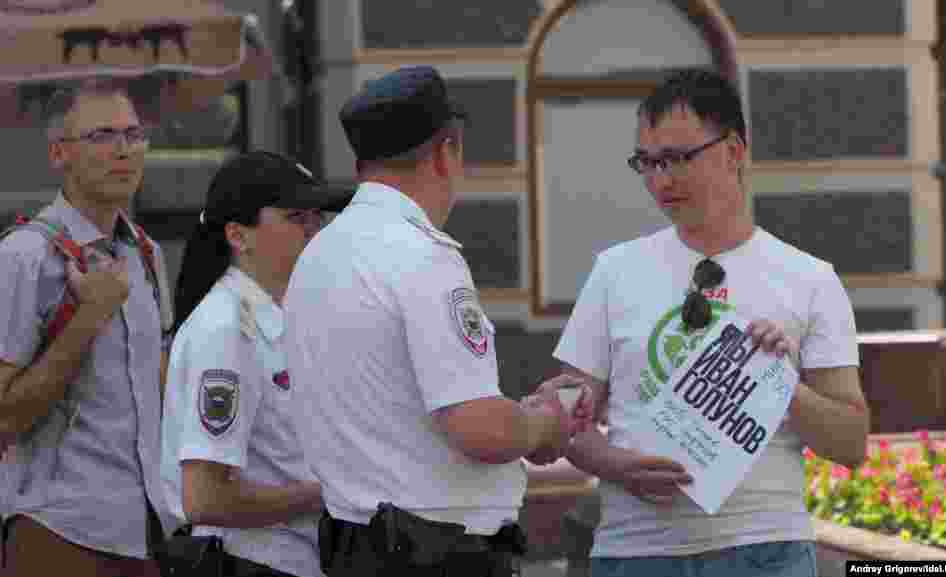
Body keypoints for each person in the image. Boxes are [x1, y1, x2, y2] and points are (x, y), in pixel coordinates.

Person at [548, 67, 871, 577]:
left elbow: (851, 442)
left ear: (734, 151)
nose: (661, 180)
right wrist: (615, 464)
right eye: (648, 162)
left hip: (765, 550)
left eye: (678, 158)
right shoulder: (614, 272)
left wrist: (779, 382)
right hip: (637, 552)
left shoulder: (809, 279)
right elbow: (569, 418)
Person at [282, 65, 591, 577]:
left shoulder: (319, 254)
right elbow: (478, 428)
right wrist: (545, 422)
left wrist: (521, 417)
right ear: (447, 153)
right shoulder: (423, 256)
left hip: (358, 543)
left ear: (361, 163)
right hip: (434, 552)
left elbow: (399, 414)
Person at [0, 81, 173, 577]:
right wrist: (90, 316)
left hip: (148, 532)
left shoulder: (147, 253)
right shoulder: (24, 256)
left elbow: (159, 390)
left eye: (133, 135)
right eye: (102, 136)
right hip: (57, 531)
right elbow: (5, 417)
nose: (124, 150)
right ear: (59, 154)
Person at [160, 151, 349, 577]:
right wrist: (327, 493)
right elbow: (204, 498)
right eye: (296, 217)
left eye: (318, 217)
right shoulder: (225, 330)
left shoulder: (287, 316)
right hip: (249, 562)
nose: (314, 229)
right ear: (238, 235)